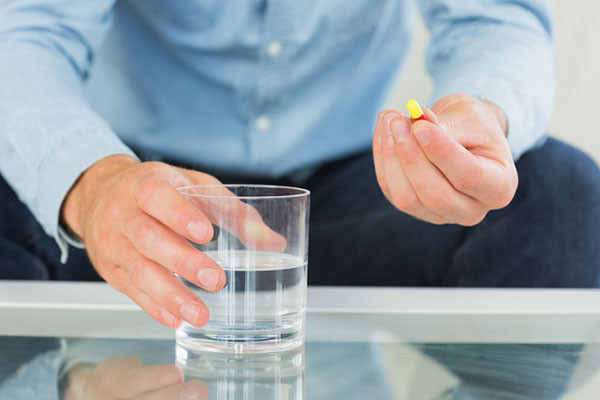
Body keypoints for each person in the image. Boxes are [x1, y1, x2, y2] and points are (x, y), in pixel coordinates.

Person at [1, 1, 599, 330]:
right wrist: (93, 184)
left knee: (560, 196)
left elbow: (493, 20)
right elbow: (25, 34)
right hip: (135, 198)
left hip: (347, 205)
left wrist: (478, 116)